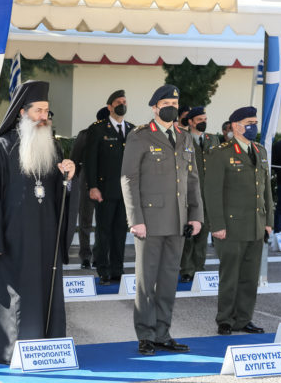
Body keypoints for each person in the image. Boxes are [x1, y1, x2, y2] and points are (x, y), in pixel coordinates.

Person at [0, 81, 76, 364]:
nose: (44, 117)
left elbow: (59, 192)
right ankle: (9, 349)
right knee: (16, 296)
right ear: (22, 112)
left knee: (44, 289)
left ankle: (45, 346)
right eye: (38, 111)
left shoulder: (52, 146)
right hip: (12, 239)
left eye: (47, 111)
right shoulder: (1, 147)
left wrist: (69, 178)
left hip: (46, 236)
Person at [121, 84, 203, 356]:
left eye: (175, 104)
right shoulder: (140, 136)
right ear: (155, 107)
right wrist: (135, 218)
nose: (171, 108)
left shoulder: (184, 137)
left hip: (178, 221)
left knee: (168, 281)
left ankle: (162, 333)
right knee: (147, 282)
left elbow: (192, 180)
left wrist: (196, 216)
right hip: (149, 220)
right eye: (166, 103)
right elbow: (129, 178)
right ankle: (146, 335)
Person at [205, 106, 273, 336]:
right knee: (230, 276)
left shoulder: (260, 151)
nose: (253, 126)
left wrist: (268, 220)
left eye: (255, 122)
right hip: (231, 226)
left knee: (250, 277)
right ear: (235, 126)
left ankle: (244, 319)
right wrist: (217, 225)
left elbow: (266, 189)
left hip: (255, 224)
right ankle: (225, 319)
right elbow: (212, 192)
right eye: (249, 122)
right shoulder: (221, 153)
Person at [86, 90, 134, 284]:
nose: (122, 104)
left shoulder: (132, 130)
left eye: (124, 101)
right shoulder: (98, 129)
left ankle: (117, 269)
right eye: (118, 102)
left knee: (120, 232)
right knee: (104, 231)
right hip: (104, 190)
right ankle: (103, 269)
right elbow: (90, 161)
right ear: (110, 107)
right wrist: (93, 186)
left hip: (126, 191)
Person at [179, 106, 219, 283]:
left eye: (205, 119)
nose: (203, 122)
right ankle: (187, 269)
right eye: (200, 120)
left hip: (209, 194)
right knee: (188, 234)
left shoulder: (213, 139)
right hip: (189, 194)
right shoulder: (182, 138)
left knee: (203, 234)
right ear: (190, 122)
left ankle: (199, 268)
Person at [71, 107, 109, 269]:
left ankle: (99, 256)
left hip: (107, 185)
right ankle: (85, 256)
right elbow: (75, 158)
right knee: (85, 221)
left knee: (104, 222)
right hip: (87, 182)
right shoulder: (85, 135)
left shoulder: (117, 135)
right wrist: (76, 180)